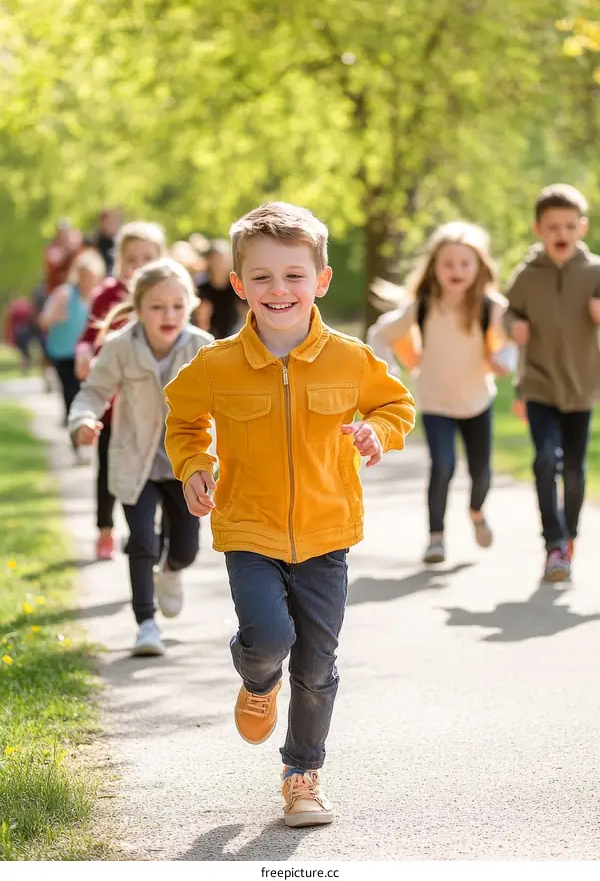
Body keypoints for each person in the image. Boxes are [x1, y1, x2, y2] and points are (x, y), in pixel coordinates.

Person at [164, 201, 416, 827]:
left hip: (328, 535)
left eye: (294, 275)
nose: (280, 290)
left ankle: (302, 775)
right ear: (239, 284)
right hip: (249, 528)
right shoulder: (216, 365)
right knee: (270, 640)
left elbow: (397, 404)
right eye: (264, 277)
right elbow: (184, 421)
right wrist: (194, 467)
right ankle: (255, 679)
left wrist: (378, 433)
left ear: (321, 281)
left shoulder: (350, 358)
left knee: (316, 664)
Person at [68, 260, 213, 655]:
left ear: (191, 305)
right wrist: (82, 419)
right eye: (156, 307)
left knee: (185, 548)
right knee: (142, 540)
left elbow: (230, 400)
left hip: (187, 465)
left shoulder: (203, 347)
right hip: (137, 463)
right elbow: (93, 392)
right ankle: (146, 624)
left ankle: (171, 570)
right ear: (137, 308)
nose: (168, 316)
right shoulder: (120, 347)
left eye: (177, 306)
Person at [368, 222, 515, 565]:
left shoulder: (492, 307)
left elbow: (509, 343)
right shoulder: (422, 306)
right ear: (434, 267)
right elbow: (380, 334)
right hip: (435, 401)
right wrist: (389, 371)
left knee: (481, 472)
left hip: (477, 400)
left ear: (479, 267)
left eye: (465, 264)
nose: (456, 271)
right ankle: (436, 539)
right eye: (448, 263)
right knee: (443, 466)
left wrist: (504, 360)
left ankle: (476, 512)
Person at [504, 184, 600, 583]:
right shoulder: (526, 277)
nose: (560, 233)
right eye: (552, 226)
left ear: (582, 227)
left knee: (575, 471)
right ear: (538, 230)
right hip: (539, 383)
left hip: (582, 386)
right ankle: (554, 544)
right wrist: (514, 327)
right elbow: (509, 313)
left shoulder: (595, 272)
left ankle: (570, 537)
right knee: (545, 459)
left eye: (568, 225)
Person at [75, 222, 167, 561]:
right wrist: (85, 353)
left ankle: (147, 530)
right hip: (116, 406)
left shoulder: (166, 294)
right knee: (110, 469)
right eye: (131, 259)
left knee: (155, 471)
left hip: (155, 407)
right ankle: (104, 531)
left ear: (161, 259)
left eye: (147, 258)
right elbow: (88, 336)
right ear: (119, 262)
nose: (139, 266)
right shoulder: (108, 294)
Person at [38, 248, 105, 448]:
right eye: (84, 276)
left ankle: (89, 435)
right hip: (63, 354)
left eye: (92, 277)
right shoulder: (65, 294)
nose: (88, 281)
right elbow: (43, 321)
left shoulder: (98, 296)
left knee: (88, 394)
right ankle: (76, 442)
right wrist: (55, 317)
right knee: (71, 394)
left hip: (86, 355)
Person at [195, 239, 246, 338]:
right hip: (211, 338)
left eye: (224, 259)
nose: (220, 264)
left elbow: (246, 314)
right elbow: (203, 321)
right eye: (217, 259)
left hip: (235, 334)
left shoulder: (237, 287)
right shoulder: (203, 289)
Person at [3, 296, 35, 372]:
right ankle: (25, 364)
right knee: (25, 350)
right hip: (27, 331)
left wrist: (8, 333)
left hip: (18, 332)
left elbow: (9, 321)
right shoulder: (27, 307)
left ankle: (24, 364)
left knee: (23, 350)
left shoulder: (13, 308)